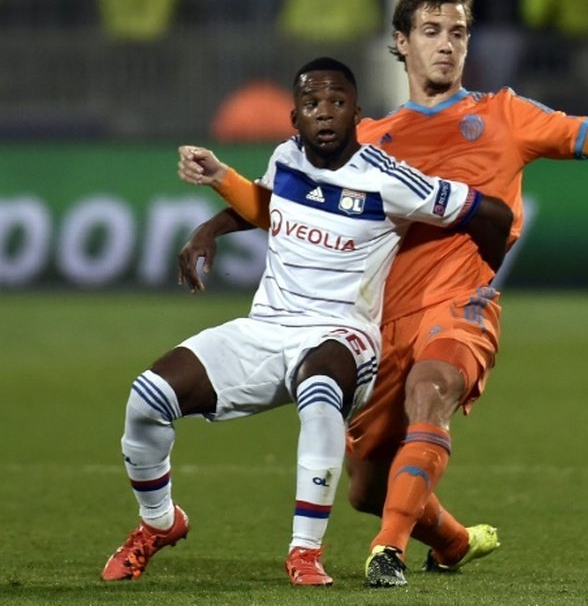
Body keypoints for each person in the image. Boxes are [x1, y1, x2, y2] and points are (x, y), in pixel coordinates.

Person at [180, 0, 588, 588]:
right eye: (431, 32)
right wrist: (217, 211)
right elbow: (282, 205)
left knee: (433, 389)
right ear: (400, 44)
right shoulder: (370, 140)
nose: (447, 45)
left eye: (457, 32)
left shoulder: (506, 115)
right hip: (378, 324)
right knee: (366, 487)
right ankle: (452, 541)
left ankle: (388, 552)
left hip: (462, 305)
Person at [101, 56, 513, 587]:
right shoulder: (286, 158)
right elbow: (270, 203)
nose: (325, 113)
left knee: (320, 389)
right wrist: (210, 227)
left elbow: (492, 212)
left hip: (345, 336)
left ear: (357, 114)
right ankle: (158, 523)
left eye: (337, 103)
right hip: (268, 327)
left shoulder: (391, 180)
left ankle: (304, 553)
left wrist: (480, 274)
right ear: (294, 118)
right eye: (312, 104)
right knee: (147, 397)